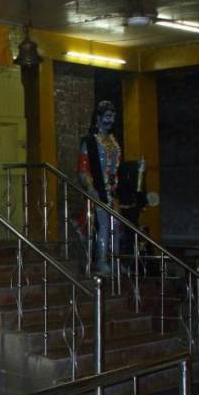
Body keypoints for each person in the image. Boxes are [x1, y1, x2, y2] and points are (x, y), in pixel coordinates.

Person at [78, 100, 121, 275]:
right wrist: (90, 187)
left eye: (113, 117)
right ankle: (102, 261)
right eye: (108, 116)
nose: (111, 120)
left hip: (113, 190)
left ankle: (116, 260)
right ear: (98, 117)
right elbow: (82, 169)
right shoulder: (90, 141)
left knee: (117, 225)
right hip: (98, 189)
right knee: (104, 225)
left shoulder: (113, 141)